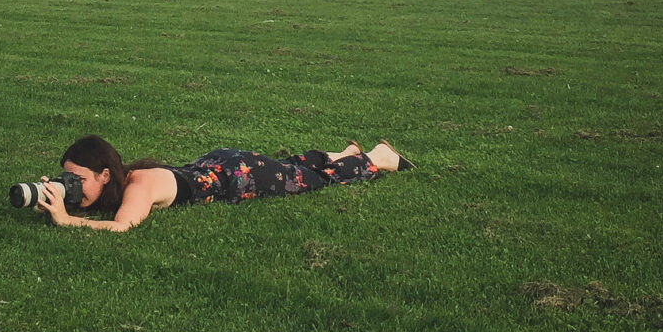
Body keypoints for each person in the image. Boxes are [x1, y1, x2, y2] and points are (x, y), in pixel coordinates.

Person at [35, 134, 416, 233]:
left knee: (308, 182)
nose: (72, 185)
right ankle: (340, 153)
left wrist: (68, 221)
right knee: (287, 167)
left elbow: (122, 226)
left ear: (104, 175)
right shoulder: (113, 183)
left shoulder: (139, 187)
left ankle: (377, 157)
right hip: (214, 163)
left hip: (237, 176)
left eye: (77, 179)